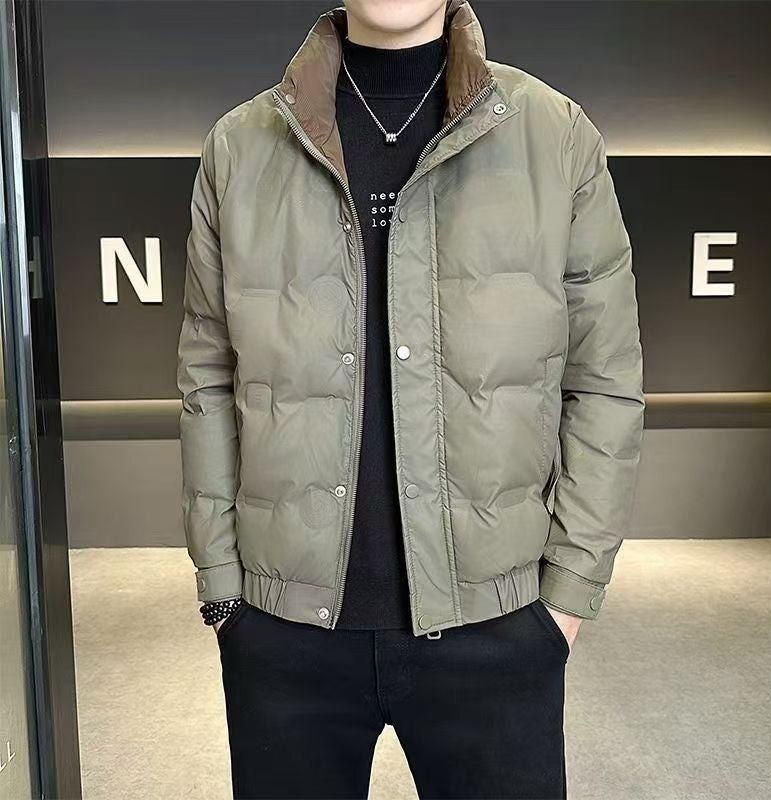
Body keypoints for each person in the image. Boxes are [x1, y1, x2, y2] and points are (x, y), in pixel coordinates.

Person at [176, 0, 645, 797]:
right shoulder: (240, 146)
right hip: (283, 634)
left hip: (499, 626)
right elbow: (207, 377)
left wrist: (568, 592)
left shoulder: (554, 134)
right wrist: (222, 587)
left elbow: (604, 379)